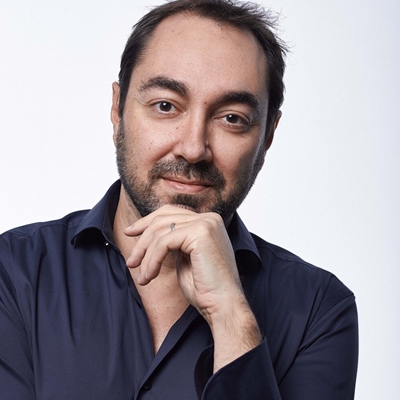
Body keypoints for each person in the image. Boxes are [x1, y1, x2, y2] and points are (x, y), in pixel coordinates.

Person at [0, 0, 358, 399]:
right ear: (117, 110)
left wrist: (232, 317)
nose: (192, 148)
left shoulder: (319, 311)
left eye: (232, 118)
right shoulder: (12, 271)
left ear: (268, 135)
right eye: (165, 106)